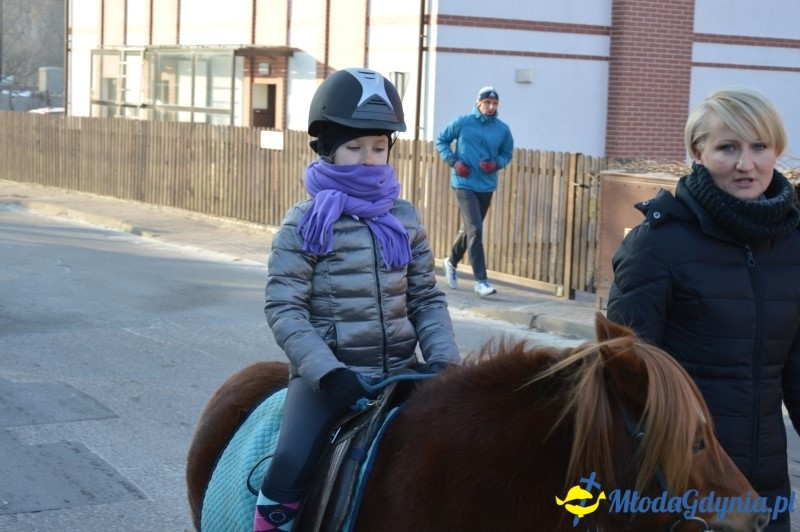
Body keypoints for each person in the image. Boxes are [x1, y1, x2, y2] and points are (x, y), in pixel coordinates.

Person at [253, 67, 461, 532]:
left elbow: (425, 297)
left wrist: (443, 360)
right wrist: (328, 373)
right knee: (290, 462)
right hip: (330, 379)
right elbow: (284, 307)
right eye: (354, 147)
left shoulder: (404, 218)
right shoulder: (305, 222)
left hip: (401, 373)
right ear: (326, 149)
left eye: (379, 146)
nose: (369, 159)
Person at [607, 87, 800, 531]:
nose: (745, 164)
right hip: (681, 492)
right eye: (728, 147)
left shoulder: (792, 246)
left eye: (759, 147)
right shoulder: (658, 244)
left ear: (777, 152)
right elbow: (623, 377)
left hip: (766, 490)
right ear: (698, 152)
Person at [435, 85, 514, 298]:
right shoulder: (463, 122)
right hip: (464, 182)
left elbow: (507, 153)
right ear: (478, 103)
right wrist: (453, 161)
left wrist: (496, 164)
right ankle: (481, 282)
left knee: (471, 229)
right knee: (476, 229)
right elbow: (441, 140)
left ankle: (450, 261)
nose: (490, 107)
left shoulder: (502, 129)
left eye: (494, 103)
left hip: (486, 185)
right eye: (487, 103)